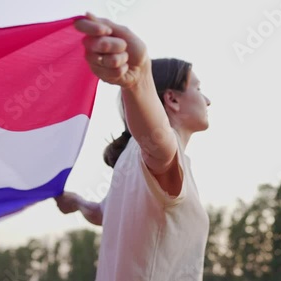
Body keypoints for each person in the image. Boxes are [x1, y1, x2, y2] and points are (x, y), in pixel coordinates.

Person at [55, 12, 212, 281]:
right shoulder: (158, 152)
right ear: (172, 99)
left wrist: (79, 202)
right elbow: (158, 140)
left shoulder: (129, 162)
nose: (207, 100)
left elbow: (101, 214)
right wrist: (137, 82)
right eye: (198, 88)